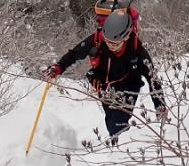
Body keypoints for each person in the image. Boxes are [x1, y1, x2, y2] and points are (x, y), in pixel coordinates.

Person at [43, 10, 166, 142]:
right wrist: (59, 67)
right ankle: (120, 143)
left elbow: (152, 78)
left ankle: (123, 146)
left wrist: (160, 106)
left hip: (128, 87)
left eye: (115, 43)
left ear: (126, 37)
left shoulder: (137, 50)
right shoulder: (98, 39)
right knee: (110, 119)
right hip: (103, 84)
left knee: (117, 125)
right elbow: (74, 54)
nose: (110, 46)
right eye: (108, 42)